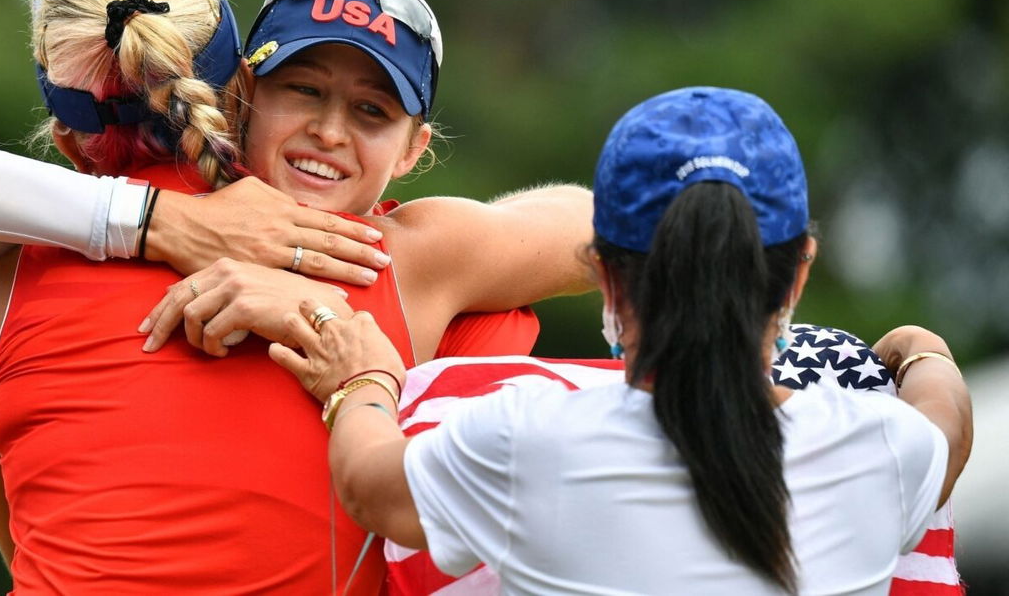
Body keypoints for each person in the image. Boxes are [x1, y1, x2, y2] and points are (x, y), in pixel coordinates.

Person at [0, 0, 589, 593]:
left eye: (371, 111)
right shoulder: (398, 261)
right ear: (238, 97)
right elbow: (606, 226)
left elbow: (26, 537)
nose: (330, 131)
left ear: (413, 147)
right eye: (304, 89)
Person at [271, 87, 973, 594]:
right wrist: (919, 349)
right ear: (798, 274)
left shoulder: (528, 440)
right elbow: (948, 422)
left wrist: (360, 379)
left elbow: (369, 487)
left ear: (606, 276)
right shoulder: (883, 449)